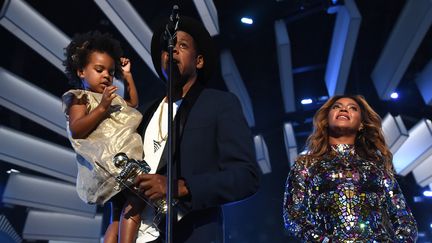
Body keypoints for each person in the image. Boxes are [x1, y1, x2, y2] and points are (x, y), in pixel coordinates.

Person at [133, 16, 261, 242]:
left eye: (182, 45)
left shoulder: (219, 104)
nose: (171, 51)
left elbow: (246, 177)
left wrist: (182, 188)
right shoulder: (143, 113)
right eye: (166, 48)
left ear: (199, 60)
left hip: (191, 233)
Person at [283, 95, 418, 242]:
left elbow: (403, 217)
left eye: (352, 108)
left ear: (361, 124)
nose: (343, 109)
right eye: (337, 106)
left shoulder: (377, 168)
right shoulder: (306, 165)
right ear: (326, 121)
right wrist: (322, 241)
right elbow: (293, 215)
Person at [62, 31, 148, 243]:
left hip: (120, 164)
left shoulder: (111, 98)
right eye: (99, 70)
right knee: (137, 200)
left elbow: (133, 104)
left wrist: (127, 76)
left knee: (117, 213)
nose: (107, 75)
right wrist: (101, 108)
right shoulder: (80, 99)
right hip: (109, 165)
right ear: (81, 71)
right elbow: (77, 129)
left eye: (111, 71)